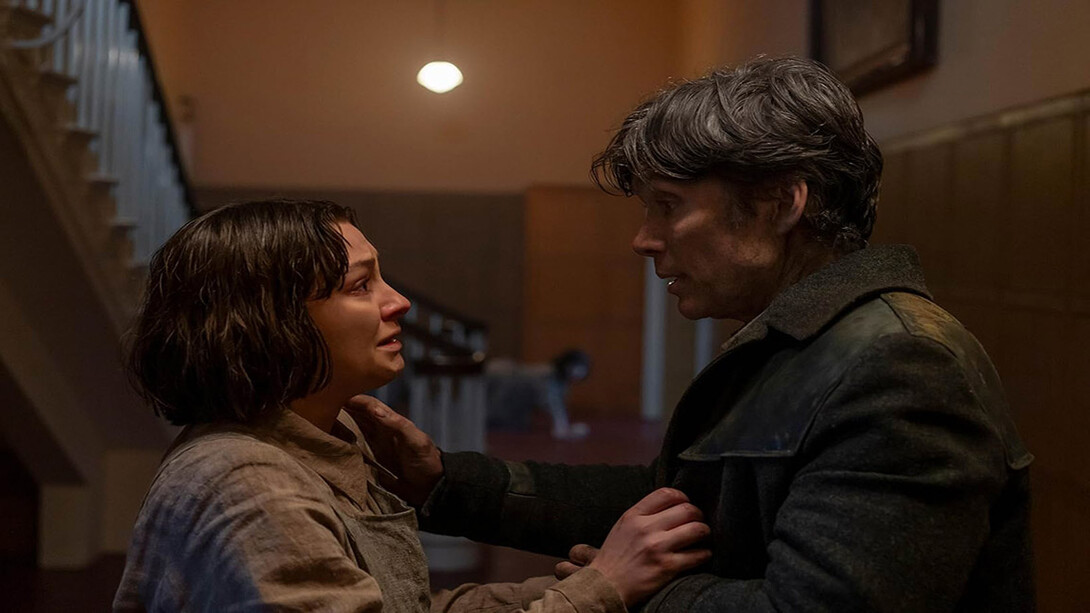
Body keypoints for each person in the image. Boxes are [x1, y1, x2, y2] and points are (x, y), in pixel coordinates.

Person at [351, 57, 1035, 612]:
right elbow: (672, 500)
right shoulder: (808, 339)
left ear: (780, 203)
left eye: (669, 207)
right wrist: (446, 481)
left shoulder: (901, 363)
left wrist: (631, 585)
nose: (643, 239)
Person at [113, 200, 711, 612]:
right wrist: (601, 589)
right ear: (269, 323)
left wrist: (590, 582)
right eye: (360, 285)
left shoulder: (329, 434)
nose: (398, 303)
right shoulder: (248, 482)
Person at [486, 349, 592, 439]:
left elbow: (555, 404)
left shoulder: (557, 378)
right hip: (502, 399)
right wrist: (563, 428)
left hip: (508, 401)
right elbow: (550, 402)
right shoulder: (546, 376)